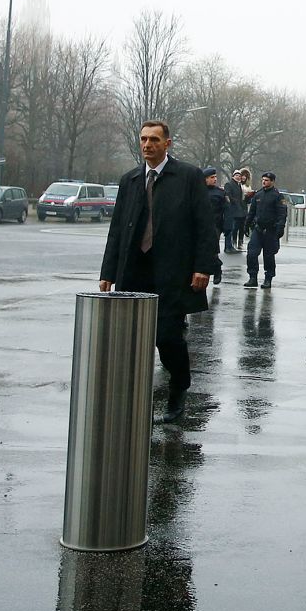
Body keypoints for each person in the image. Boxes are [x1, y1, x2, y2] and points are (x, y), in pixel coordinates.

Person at [99, 120, 217, 424]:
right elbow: (117, 230)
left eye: (154, 139)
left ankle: (178, 392)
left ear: (167, 143)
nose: (147, 144)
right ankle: (131, 397)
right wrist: (108, 271)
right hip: (135, 270)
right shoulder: (131, 179)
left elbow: (205, 226)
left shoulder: (188, 176)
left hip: (172, 272)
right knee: (129, 337)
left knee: (167, 337)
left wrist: (203, 267)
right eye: (143, 139)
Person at [243, 172, 288, 288]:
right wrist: (246, 225)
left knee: (268, 256)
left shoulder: (278, 196)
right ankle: (253, 277)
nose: (264, 182)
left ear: (272, 181)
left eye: (267, 180)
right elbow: (252, 212)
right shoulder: (258, 194)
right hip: (258, 229)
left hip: (271, 230)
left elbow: (282, 214)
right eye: (263, 180)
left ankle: (268, 278)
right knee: (252, 254)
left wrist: (280, 228)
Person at [199, 170, 228, 284]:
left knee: (211, 249)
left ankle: (217, 269)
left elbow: (227, 210)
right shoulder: (198, 190)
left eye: (215, 177)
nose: (215, 179)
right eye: (212, 177)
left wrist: (227, 226)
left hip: (215, 226)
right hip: (200, 225)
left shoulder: (220, 193)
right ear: (205, 179)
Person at [223, 168, 247, 253]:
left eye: (239, 176)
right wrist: (235, 202)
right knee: (230, 228)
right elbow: (227, 195)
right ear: (233, 176)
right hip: (231, 209)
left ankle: (231, 246)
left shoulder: (239, 186)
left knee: (234, 228)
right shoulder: (228, 184)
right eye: (236, 175)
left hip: (238, 210)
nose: (238, 177)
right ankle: (227, 247)